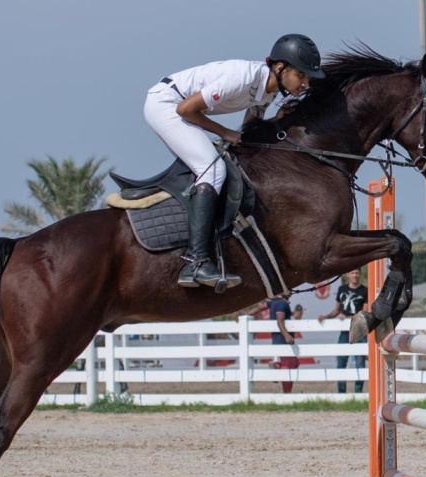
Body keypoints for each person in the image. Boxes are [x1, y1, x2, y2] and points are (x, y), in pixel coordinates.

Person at [144, 34, 325, 289]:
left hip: (181, 108)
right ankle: (195, 262)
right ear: (280, 67)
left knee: (224, 165)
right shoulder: (242, 78)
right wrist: (223, 132)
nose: (305, 83)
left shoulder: (268, 94)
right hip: (165, 104)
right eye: (302, 76)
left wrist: (278, 120)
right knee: (213, 170)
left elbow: (248, 131)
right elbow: (185, 109)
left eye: (307, 78)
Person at [318, 269, 369, 394]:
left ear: (360, 275)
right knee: (341, 361)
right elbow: (337, 310)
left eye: (357, 273)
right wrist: (326, 317)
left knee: (360, 363)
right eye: (352, 273)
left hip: (359, 330)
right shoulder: (342, 289)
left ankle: (358, 393)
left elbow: (364, 312)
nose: (355, 275)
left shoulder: (365, 290)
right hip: (344, 332)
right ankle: (341, 393)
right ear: (347, 275)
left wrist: (348, 318)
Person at [268, 293, 298, 394]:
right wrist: (286, 335)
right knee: (287, 366)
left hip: (276, 340)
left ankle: (277, 366)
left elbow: (260, 307)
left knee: (294, 363)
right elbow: (279, 319)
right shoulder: (282, 304)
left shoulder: (274, 302)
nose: (290, 291)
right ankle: (287, 393)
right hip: (283, 340)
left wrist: (248, 313)